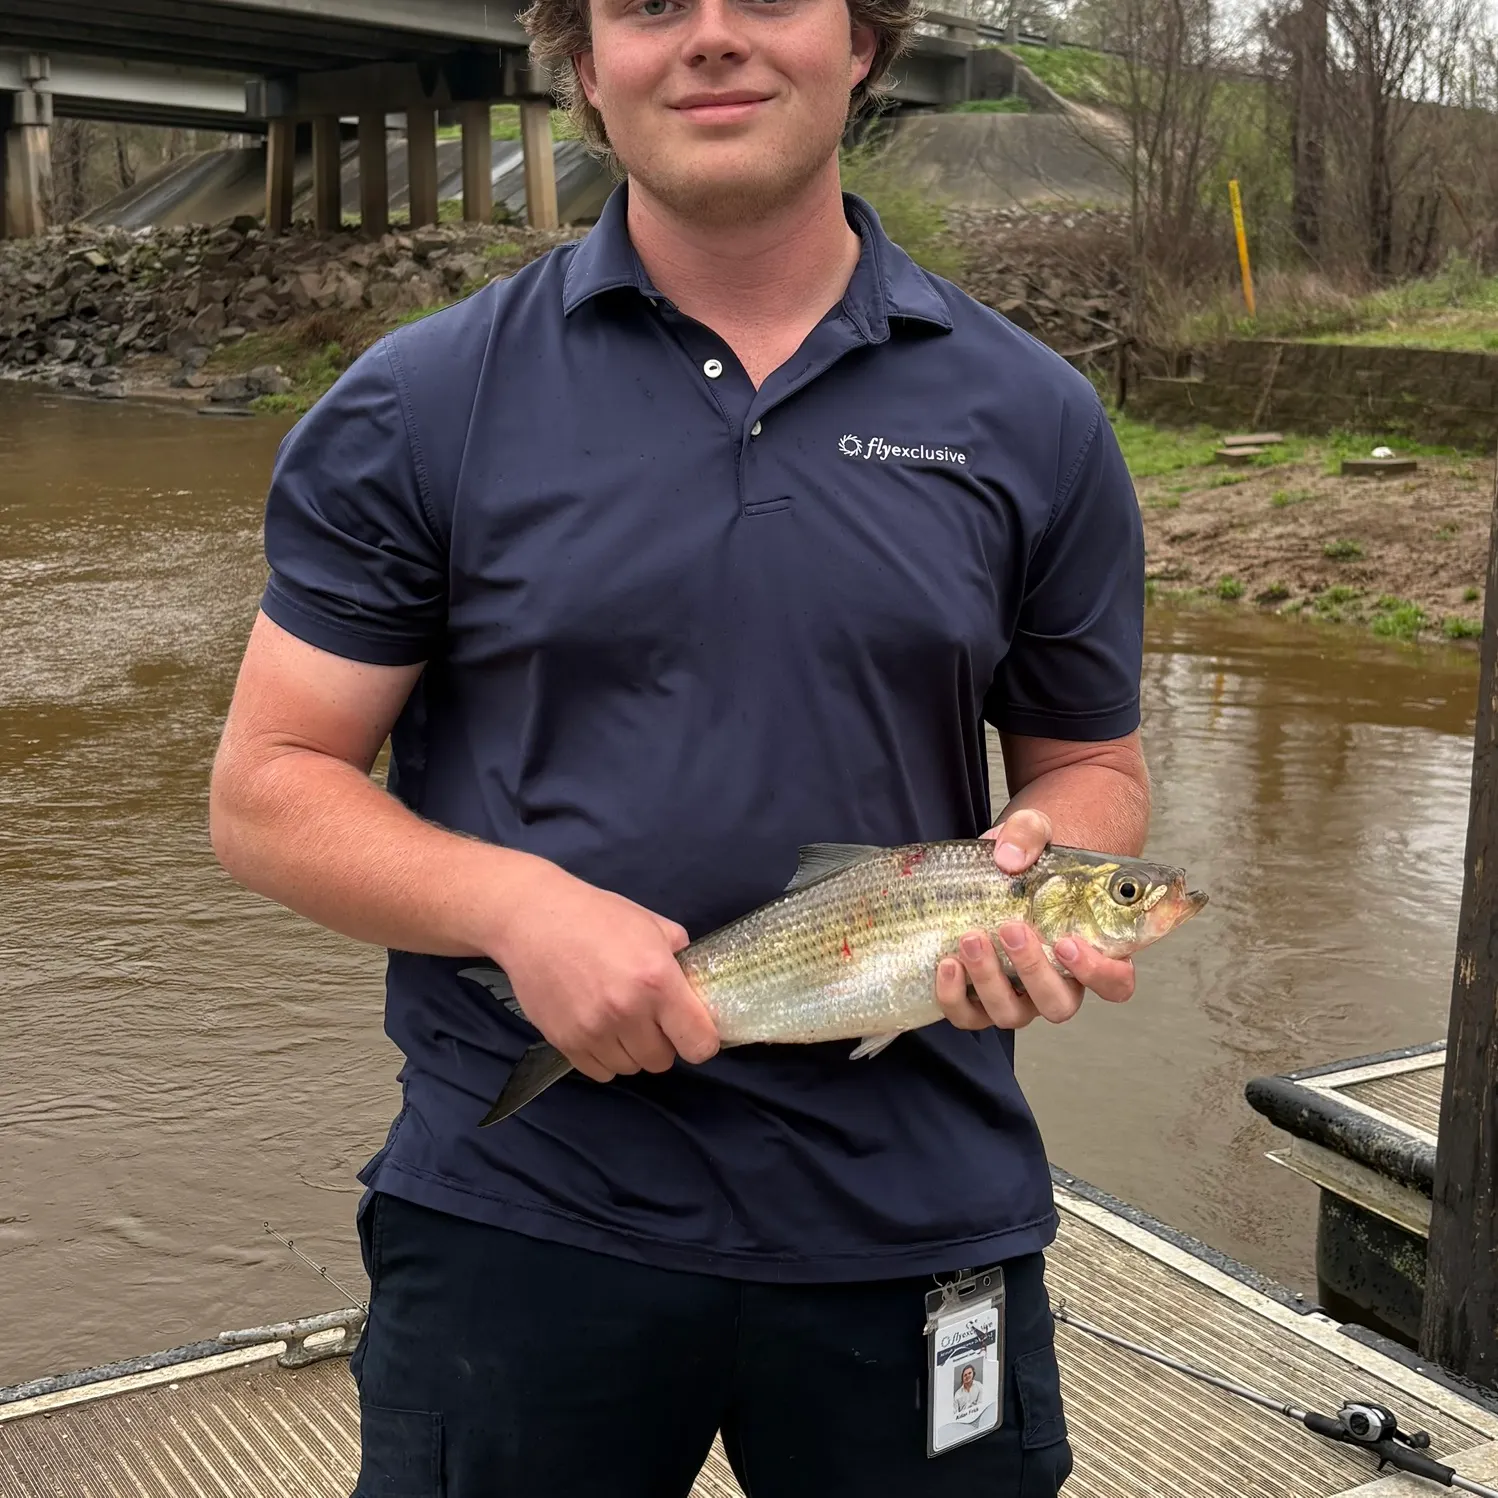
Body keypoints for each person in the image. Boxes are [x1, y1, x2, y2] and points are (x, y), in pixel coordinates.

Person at [207, 0, 1149, 1483]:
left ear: (866, 45)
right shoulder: (417, 402)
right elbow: (267, 790)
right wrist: (515, 908)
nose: (711, 37)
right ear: (583, 64)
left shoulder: (1032, 416)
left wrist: (1040, 865)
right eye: (648, 3)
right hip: (523, 1207)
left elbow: (1089, 765)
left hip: (910, 1207)